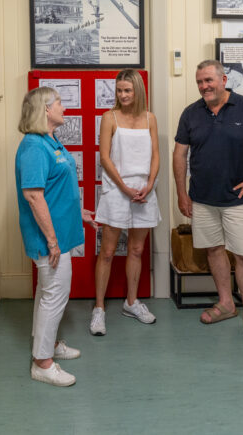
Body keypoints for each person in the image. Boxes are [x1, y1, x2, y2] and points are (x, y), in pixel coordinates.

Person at [172, 60, 243, 346]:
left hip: (239, 199)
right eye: (199, 82)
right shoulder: (191, 113)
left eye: (209, 80)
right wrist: (181, 194)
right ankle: (226, 303)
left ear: (224, 79)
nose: (204, 87)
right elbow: (179, 155)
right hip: (202, 198)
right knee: (214, 250)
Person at [16, 86, 91, 386]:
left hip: (60, 231)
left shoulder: (50, 140)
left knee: (49, 294)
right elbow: (34, 196)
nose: (63, 105)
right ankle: (42, 363)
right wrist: (51, 240)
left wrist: (79, 214)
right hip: (49, 238)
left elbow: (59, 188)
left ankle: (47, 344)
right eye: (59, 102)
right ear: (45, 110)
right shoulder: (34, 146)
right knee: (54, 295)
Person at [90, 69, 160, 335]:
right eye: (119, 90)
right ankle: (99, 309)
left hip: (144, 191)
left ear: (138, 90)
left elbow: (156, 155)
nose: (122, 95)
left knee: (137, 250)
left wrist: (149, 184)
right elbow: (104, 158)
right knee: (107, 252)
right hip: (117, 190)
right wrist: (124, 187)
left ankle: (131, 302)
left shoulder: (150, 118)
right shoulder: (109, 118)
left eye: (127, 90)